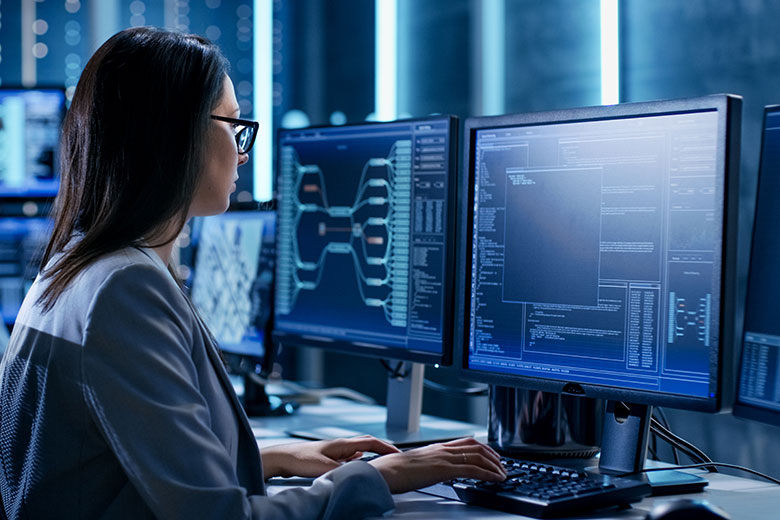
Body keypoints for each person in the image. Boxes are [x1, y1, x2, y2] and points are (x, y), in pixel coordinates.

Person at [0, 27, 505, 519]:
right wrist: (379, 477)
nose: (243, 151)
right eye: (233, 125)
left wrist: (271, 457)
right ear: (175, 133)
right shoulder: (123, 288)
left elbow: (112, 466)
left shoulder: (72, 268)